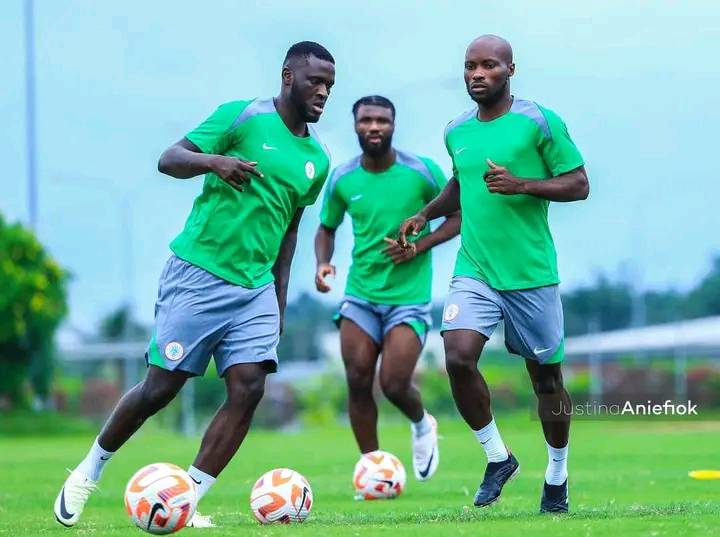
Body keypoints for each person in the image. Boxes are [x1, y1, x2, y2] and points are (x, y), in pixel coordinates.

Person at [54, 41, 336, 528]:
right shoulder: (242, 117)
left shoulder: (317, 159)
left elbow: (289, 234)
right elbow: (170, 158)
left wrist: (279, 301)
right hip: (200, 274)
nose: (324, 91)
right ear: (288, 76)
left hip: (256, 289)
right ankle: (87, 471)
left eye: (330, 84)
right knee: (161, 388)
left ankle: (188, 497)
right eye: (316, 80)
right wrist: (215, 163)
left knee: (248, 389)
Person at [399, 35, 589, 513]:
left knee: (546, 381)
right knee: (458, 356)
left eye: (488, 65)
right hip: (476, 267)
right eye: (469, 66)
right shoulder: (456, 131)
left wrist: (522, 184)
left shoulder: (539, 122)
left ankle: (557, 475)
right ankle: (498, 457)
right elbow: (459, 185)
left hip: (530, 273)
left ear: (510, 70)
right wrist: (426, 214)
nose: (477, 74)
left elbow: (579, 184)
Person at [315, 95, 460, 485]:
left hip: (408, 299)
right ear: (355, 125)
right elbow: (326, 227)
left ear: (393, 125)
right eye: (366, 120)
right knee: (359, 380)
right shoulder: (343, 178)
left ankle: (421, 423)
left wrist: (419, 247)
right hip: (360, 295)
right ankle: (372, 470)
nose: (374, 127)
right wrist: (323, 263)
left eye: (382, 120)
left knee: (393, 383)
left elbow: (458, 216)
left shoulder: (422, 172)